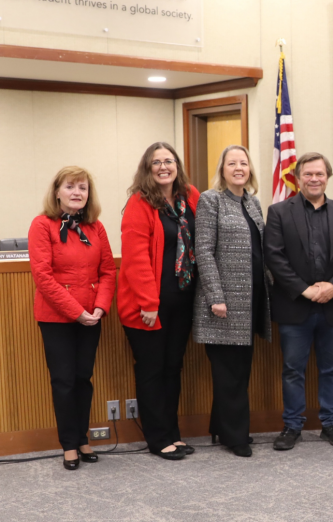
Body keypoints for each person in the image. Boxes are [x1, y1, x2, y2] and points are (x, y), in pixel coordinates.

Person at [265, 152, 333, 450]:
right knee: (293, 370)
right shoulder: (280, 211)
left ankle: (330, 424)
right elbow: (275, 257)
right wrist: (306, 290)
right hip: (296, 306)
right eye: (308, 174)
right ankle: (292, 426)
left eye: (320, 174)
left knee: (331, 369)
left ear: (327, 177)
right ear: (297, 177)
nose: (314, 179)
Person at [28, 166, 116, 470]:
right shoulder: (42, 225)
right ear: (57, 191)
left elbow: (107, 272)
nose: (77, 193)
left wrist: (100, 308)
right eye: (70, 187)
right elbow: (43, 276)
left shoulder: (96, 227)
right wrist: (76, 312)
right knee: (64, 381)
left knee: (83, 379)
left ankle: (82, 438)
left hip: (92, 316)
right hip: (57, 318)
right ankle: (68, 445)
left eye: (82, 187)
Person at [118, 142, 200, 461]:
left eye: (169, 161)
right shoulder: (140, 203)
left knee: (172, 368)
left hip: (182, 301)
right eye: (156, 162)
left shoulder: (190, 196)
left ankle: (172, 433)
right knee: (152, 370)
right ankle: (157, 437)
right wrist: (148, 303)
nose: (163, 166)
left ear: (177, 165)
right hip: (147, 307)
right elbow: (136, 258)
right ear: (147, 169)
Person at [193, 145, 271, 458]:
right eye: (232, 163)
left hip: (249, 303)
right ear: (222, 169)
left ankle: (223, 427)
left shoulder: (253, 203)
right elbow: (203, 251)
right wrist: (216, 297)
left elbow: (260, 252)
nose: (239, 168)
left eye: (243, 163)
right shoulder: (210, 199)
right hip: (223, 305)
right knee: (229, 373)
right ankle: (236, 436)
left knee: (239, 371)